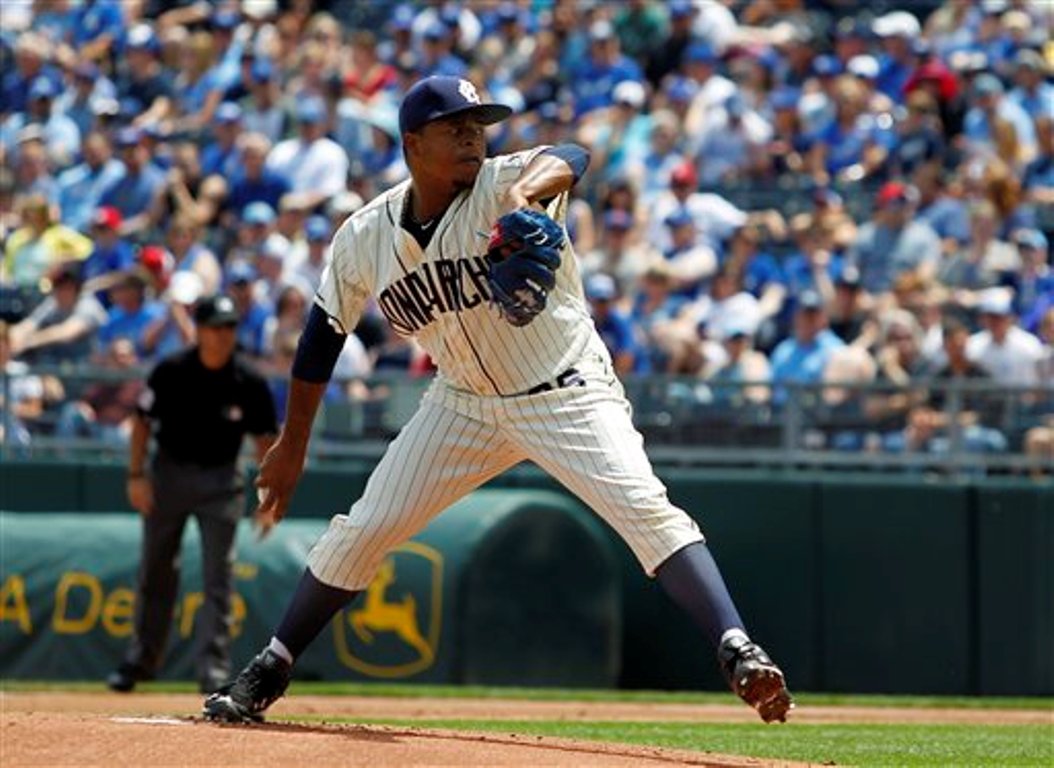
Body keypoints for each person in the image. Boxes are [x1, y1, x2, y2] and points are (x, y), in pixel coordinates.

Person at [203, 76, 793, 725]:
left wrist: (520, 195)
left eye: (478, 125)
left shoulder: (506, 179)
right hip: (462, 402)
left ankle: (738, 648)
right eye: (454, 127)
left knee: (645, 509)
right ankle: (272, 665)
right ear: (412, 143)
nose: (470, 137)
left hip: (565, 387)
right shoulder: (365, 235)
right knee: (364, 529)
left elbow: (572, 153)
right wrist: (294, 444)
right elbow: (321, 340)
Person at [107, 294, 278, 694]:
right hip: (169, 475)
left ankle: (213, 672)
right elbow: (142, 422)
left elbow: (266, 441)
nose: (224, 335)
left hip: (222, 481)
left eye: (231, 327)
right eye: (216, 327)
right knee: (156, 569)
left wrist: (269, 497)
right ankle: (140, 660)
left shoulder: (248, 380)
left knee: (219, 577)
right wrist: (136, 475)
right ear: (198, 330)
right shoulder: (171, 370)